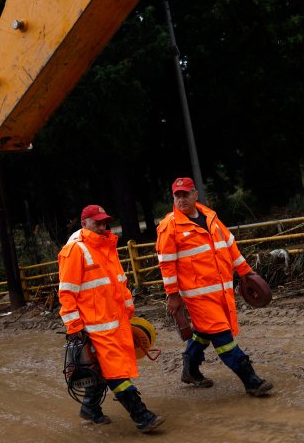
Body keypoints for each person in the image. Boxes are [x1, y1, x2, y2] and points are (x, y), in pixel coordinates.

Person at [156, 178, 273, 396]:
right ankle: (251, 381)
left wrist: (246, 273)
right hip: (197, 295)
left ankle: (189, 369)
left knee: (203, 331)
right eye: (177, 196)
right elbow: (167, 265)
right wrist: (173, 296)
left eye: (185, 194)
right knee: (222, 336)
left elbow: (229, 247)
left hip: (221, 290)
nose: (181, 199)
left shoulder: (211, 218)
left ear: (195, 195)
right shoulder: (169, 227)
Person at [58, 204, 165, 433]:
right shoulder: (75, 250)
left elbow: (119, 283)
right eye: (97, 222)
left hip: (115, 323)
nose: (102, 226)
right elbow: (67, 293)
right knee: (116, 372)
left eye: (104, 221)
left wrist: (129, 313)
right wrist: (74, 326)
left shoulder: (107, 247)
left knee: (101, 371)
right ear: (83, 222)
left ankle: (90, 410)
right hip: (94, 328)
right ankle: (142, 417)